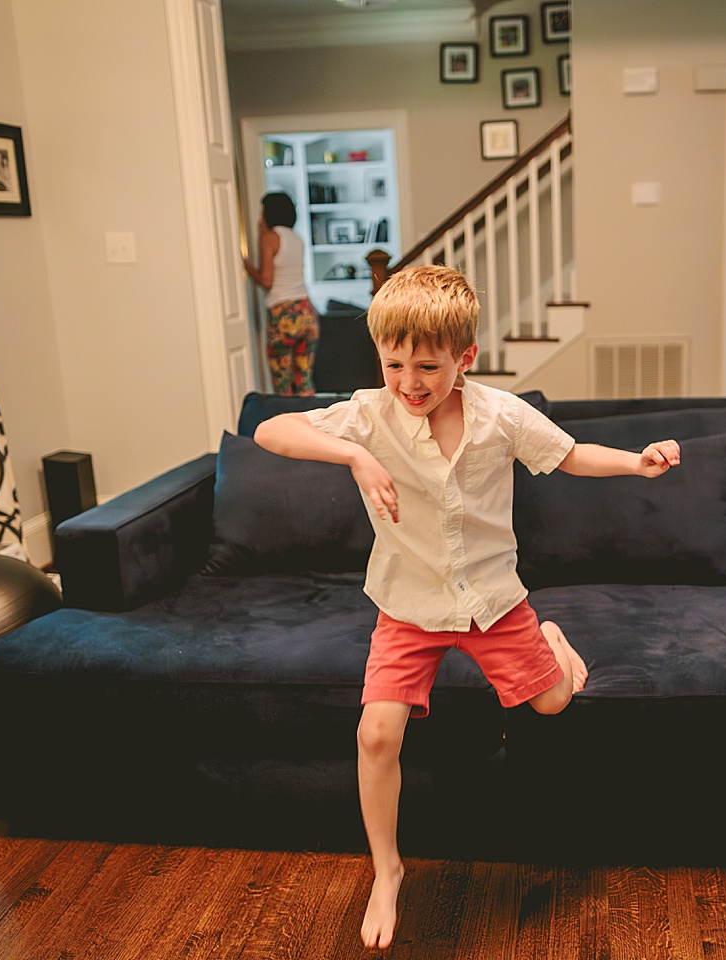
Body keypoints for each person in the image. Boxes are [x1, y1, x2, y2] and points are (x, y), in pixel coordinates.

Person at [251, 265, 681, 950]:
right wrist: (353, 459)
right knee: (376, 734)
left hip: (491, 602)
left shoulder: (500, 415)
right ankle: (387, 867)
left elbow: (569, 456)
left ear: (465, 359)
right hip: (409, 605)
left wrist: (637, 463)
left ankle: (556, 647)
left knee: (552, 704)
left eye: (428, 365)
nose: (410, 381)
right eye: (395, 364)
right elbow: (272, 431)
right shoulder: (368, 414)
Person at [245, 192, 319, 396]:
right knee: (304, 383)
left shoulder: (270, 237)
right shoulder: (297, 239)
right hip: (306, 313)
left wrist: (245, 265)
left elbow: (266, 280)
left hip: (284, 316)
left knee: (283, 386)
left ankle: (285, 427)